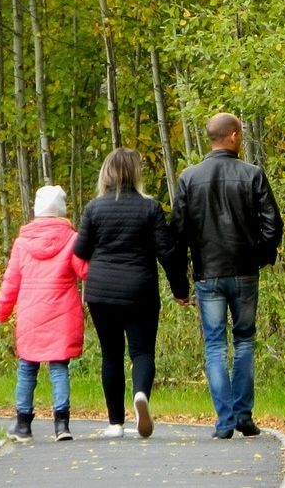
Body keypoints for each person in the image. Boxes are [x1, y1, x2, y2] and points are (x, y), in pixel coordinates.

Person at [171, 112, 284, 439]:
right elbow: (272, 224)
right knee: (244, 340)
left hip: (208, 274)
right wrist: (261, 256)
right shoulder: (252, 175)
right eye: (241, 134)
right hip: (244, 271)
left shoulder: (189, 178)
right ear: (233, 136)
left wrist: (181, 283)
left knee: (215, 345)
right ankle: (243, 415)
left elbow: (177, 235)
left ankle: (224, 421)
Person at [73, 147, 188, 439]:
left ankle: (115, 423)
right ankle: (140, 395)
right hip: (140, 290)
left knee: (111, 354)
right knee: (142, 351)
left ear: (107, 173)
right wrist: (180, 289)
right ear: (136, 174)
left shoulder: (94, 208)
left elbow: (80, 250)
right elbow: (167, 252)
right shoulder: (150, 208)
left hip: (101, 292)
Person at [0, 184, 88, 443]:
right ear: (61, 211)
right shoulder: (72, 240)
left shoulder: (22, 243)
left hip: (30, 315)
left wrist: (1, 310)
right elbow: (85, 271)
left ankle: (23, 425)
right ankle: (62, 425)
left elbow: (11, 281)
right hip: (62, 315)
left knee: (27, 368)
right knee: (59, 368)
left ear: (37, 211)